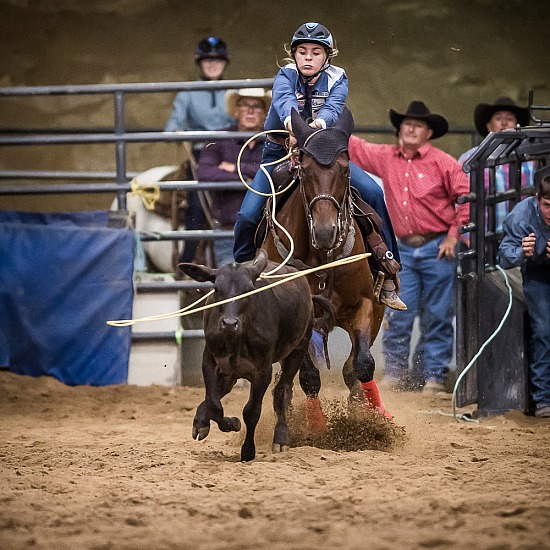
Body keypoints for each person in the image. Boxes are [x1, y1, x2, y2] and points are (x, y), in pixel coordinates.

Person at [233, 22, 405, 310]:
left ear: (328, 56)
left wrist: (312, 130)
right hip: (279, 153)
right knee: (249, 214)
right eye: (302, 52)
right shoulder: (284, 75)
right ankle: (241, 280)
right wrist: (295, 128)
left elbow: (333, 107)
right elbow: (284, 102)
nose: (308, 57)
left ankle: (386, 268)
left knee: (373, 192)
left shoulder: (339, 78)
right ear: (294, 55)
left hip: (325, 154)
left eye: (316, 51)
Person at [348, 100, 470, 393]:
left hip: (437, 246)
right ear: (400, 129)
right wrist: (324, 117)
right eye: (407, 123)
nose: (411, 128)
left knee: (438, 315)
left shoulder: (443, 163)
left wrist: (454, 235)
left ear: (428, 132)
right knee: (397, 313)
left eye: (418, 125)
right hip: (402, 248)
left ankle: (434, 376)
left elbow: (466, 198)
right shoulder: (386, 156)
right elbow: (355, 145)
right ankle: (396, 373)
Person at [165, 37, 235, 264]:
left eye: (217, 60)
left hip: (230, 152)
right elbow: (171, 128)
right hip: (201, 155)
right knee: (197, 202)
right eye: (207, 60)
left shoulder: (233, 93)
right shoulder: (187, 94)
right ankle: (187, 259)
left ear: (224, 63)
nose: (212, 64)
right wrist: (178, 131)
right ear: (200, 63)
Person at [196, 88, 270, 266]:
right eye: (244, 105)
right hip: (229, 230)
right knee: (232, 286)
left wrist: (236, 168)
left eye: (257, 106)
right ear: (235, 111)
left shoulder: (273, 141)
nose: (250, 110)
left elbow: (277, 173)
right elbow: (204, 173)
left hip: (268, 232)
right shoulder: (219, 139)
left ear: (264, 114)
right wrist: (249, 179)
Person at [497, 175, 550, 419]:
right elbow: (504, 257)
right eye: (547, 205)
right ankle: (542, 399)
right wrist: (523, 251)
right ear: (537, 199)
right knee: (544, 331)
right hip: (538, 275)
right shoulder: (522, 215)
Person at [458, 97, 535, 231]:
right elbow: (459, 201)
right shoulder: (469, 159)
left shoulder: (530, 160)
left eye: (510, 119)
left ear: (518, 126)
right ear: (489, 125)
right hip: (481, 235)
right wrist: (466, 235)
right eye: (498, 118)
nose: (504, 123)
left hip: (521, 236)